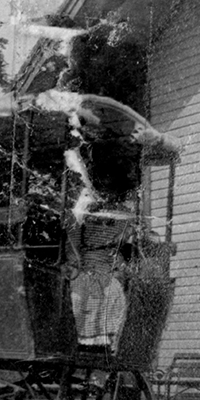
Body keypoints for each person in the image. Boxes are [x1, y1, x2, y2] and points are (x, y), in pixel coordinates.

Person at [64, 138, 140, 350]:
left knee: (113, 289)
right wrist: (75, 263)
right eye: (103, 181)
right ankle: (83, 348)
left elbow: (124, 240)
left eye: (112, 183)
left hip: (110, 265)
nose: (107, 188)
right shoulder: (85, 203)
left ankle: (104, 357)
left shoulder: (124, 211)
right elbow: (73, 234)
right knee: (81, 292)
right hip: (86, 264)